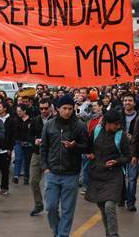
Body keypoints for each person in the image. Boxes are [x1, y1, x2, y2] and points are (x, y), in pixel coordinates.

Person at [40, 94, 89, 237]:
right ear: (58, 109)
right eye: (64, 108)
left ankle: (62, 235)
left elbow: (87, 147)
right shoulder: (49, 125)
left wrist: (75, 146)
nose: (67, 112)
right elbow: (43, 147)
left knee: (67, 209)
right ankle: (57, 232)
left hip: (71, 173)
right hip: (52, 173)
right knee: (50, 207)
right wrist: (45, 167)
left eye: (69, 109)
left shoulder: (79, 126)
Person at [85, 109, 132, 237]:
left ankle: (114, 235)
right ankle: (109, 234)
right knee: (103, 210)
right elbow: (89, 148)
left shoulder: (121, 135)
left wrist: (116, 161)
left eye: (119, 123)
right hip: (97, 175)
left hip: (114, 176)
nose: (118, 126)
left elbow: (128, 156)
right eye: (116, 124)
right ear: (107, 123)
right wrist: (89, 155)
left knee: (110, 207)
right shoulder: (95, 131)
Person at [28, 98, 54, 216]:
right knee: (33, 180)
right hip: (37, 153)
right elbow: (28, 135)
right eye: (41, 108)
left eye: (45, 108)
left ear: (50, 108)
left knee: (51, 183)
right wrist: (35, 141)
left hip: (51, 154)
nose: (43, 110)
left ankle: (51, 205)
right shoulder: (35, 120)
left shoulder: (55, 120)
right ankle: (38, 205)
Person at [118, 93, 139, 211]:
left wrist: (134, 138)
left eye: (130, 101)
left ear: (134, 103)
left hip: (134, 151)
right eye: (125, 100)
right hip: (119, 151)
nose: (127, 103)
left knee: (132, 177)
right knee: (120, 176)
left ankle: (131, 201)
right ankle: (121, 197)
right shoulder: (118, 115)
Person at [81, 99, 103, 195]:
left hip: (99, 148)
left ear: (101, 106)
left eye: (95, 105)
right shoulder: (89, 119)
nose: (93, 107)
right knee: (87, 168)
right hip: (88, 146)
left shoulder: (104, 118)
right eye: (92, 105)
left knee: (98, 169)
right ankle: (88, 187)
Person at [0, 102, 16, 195]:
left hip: (5, 149)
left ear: (5, 108)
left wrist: (10, 148)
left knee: (4, 170)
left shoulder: (11, 121)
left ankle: (4, 187)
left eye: (0, 107)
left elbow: (13, 135)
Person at [12, 104, 33, 185]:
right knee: (18, 159)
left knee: (27, 161)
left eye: (20, 111)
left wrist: (31, 128)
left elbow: (35, 130)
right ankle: (16, 176)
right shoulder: (16, 120)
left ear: (25, 111)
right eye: (17, 111)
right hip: (19, 142)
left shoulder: (31, 120)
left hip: (28, 142)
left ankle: (26, 177)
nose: (18, 113)